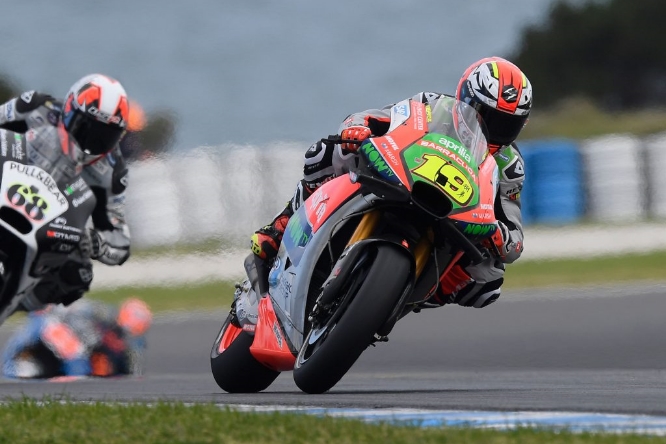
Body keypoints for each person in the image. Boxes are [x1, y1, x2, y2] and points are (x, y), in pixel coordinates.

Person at [251, 56, 532, 309]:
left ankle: (401, 296)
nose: (492, 131)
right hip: (402, 180)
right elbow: (376, 118)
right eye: (487, 117)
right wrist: (357, 129)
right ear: (467, 98)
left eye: (507, 125)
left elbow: (515, 239)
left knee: (489, 280)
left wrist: (499, 235)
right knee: (325, 153)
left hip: (452, 219)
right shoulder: (432, 105)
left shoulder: (510, 166)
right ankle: (281, 225)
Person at [0, 74, 132, 311]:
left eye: (105, 136)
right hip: (6, 184)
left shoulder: (113, 170)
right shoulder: (34, 107)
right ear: (70, 110)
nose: (94, 141)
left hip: (50, 225)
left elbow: (120, 241)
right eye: (88, 129)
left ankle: (20, 303)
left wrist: (97, 244)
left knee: (78, 275)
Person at [2, 298, 152, 379]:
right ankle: (10, 367)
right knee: (76, 354)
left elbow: (126, 373)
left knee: (84, 364)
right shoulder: (97, 313)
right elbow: (58, 309)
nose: (122, 342)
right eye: (123, 333)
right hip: (48, 331)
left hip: (60, 359)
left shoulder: (121, 352)